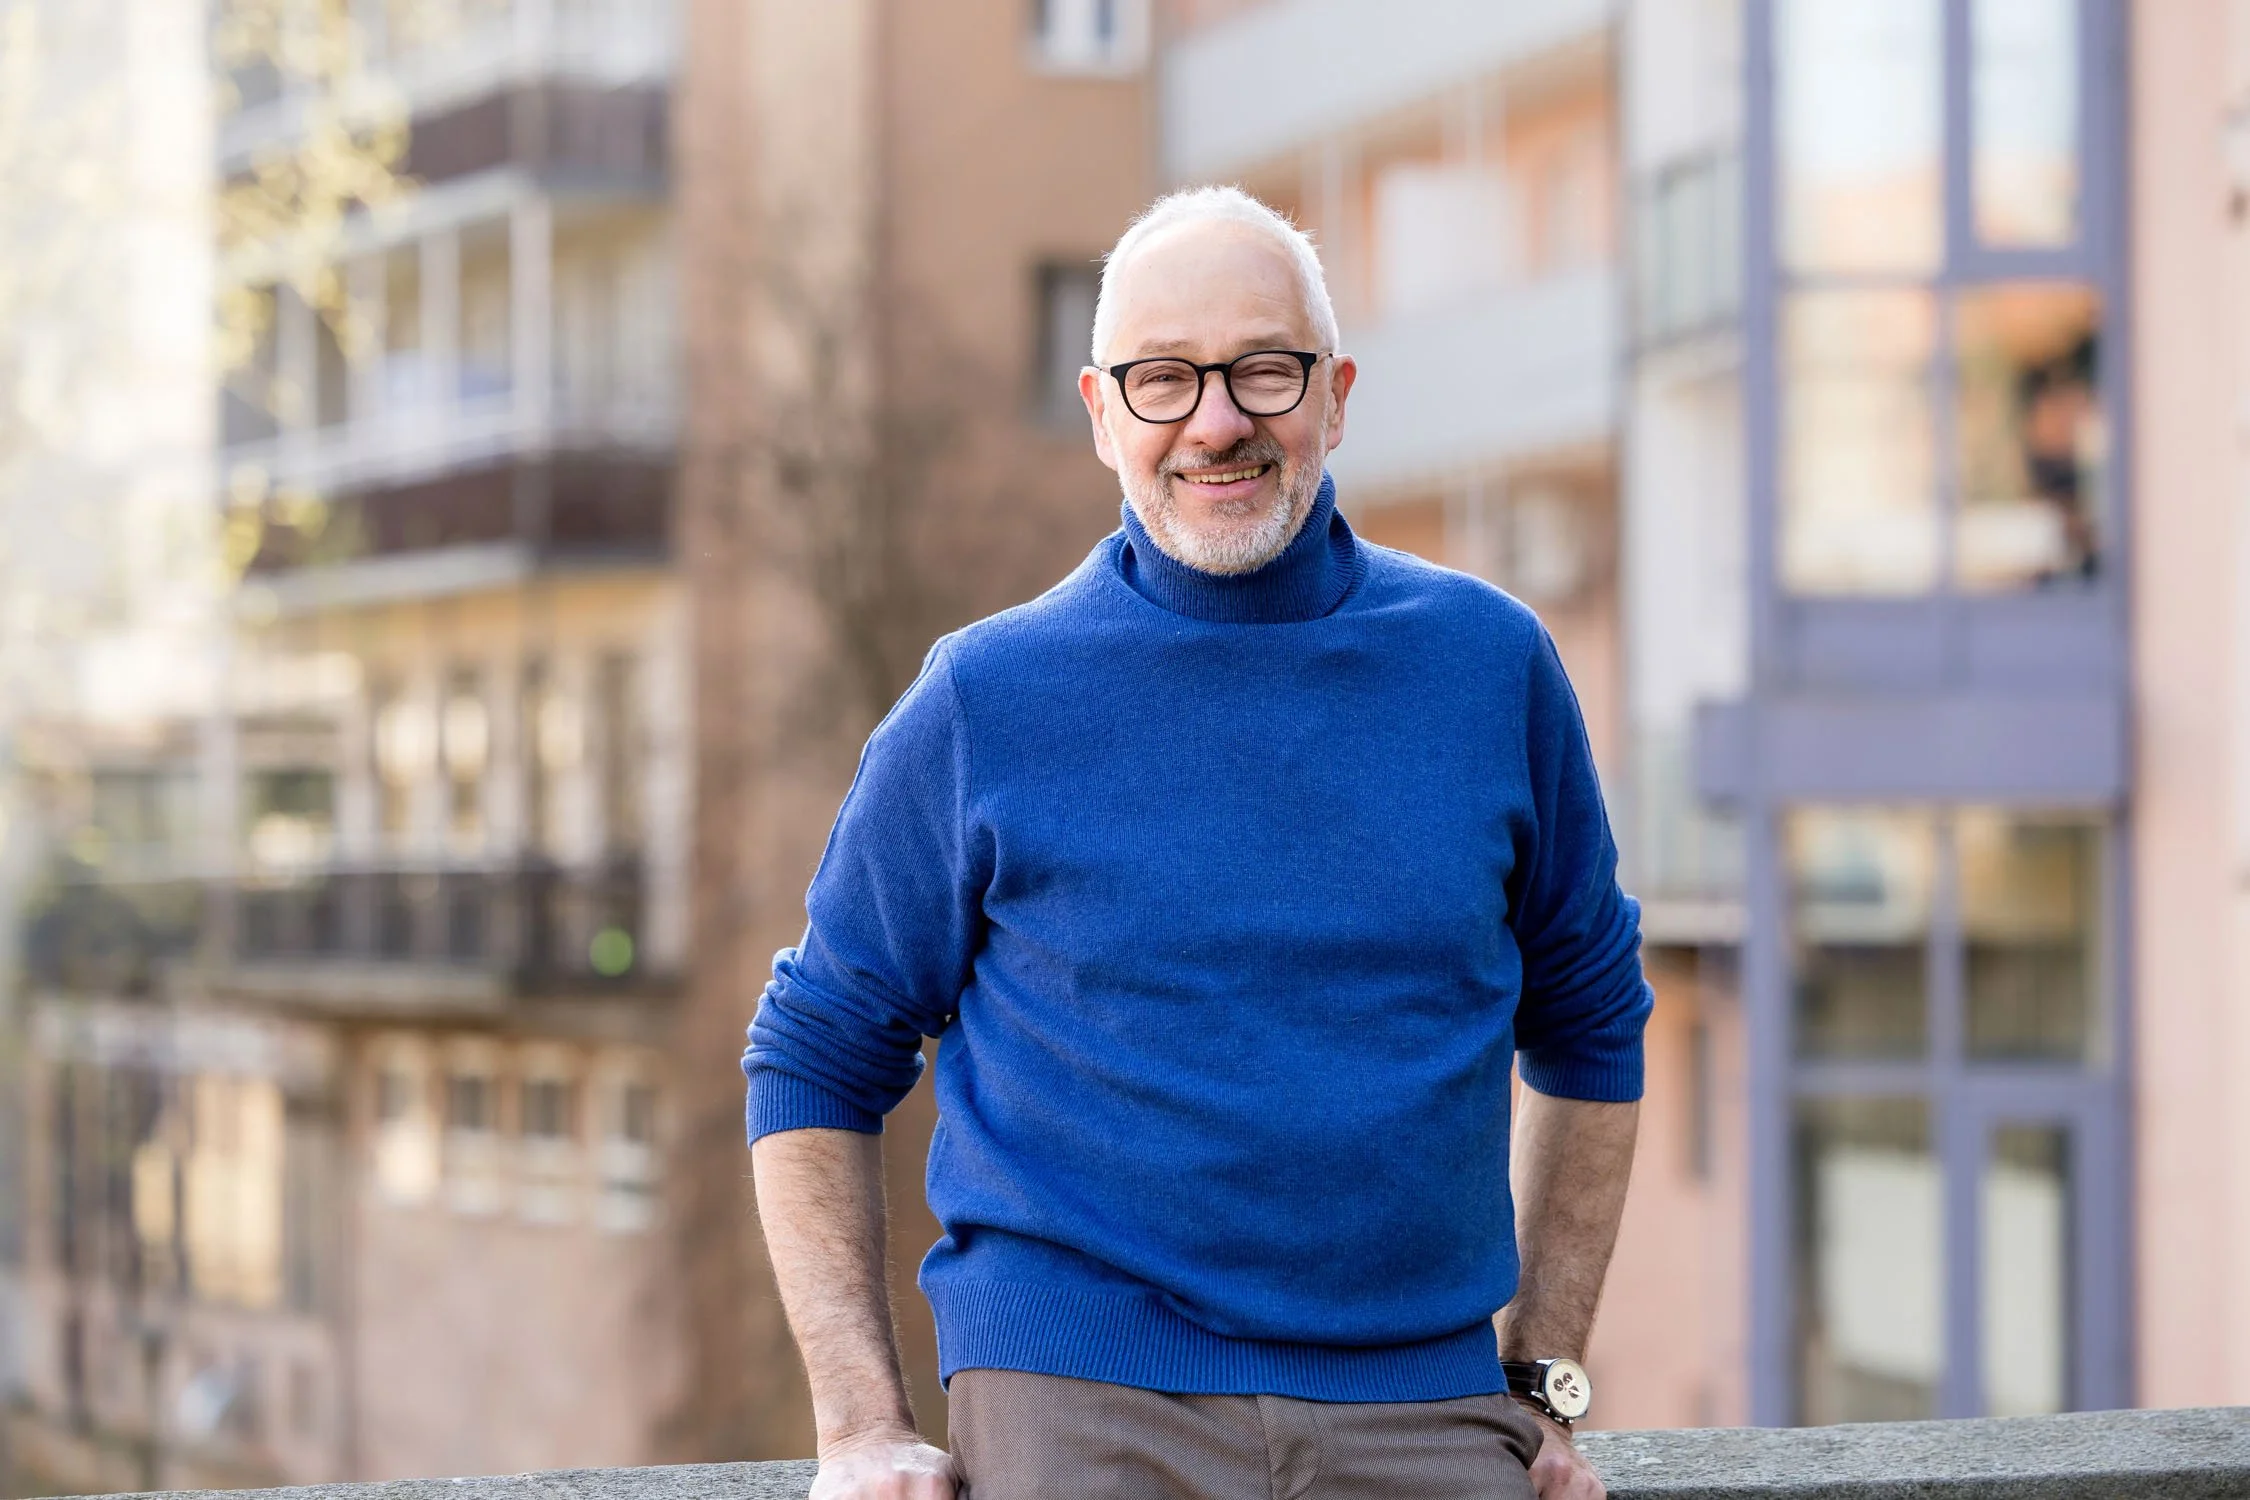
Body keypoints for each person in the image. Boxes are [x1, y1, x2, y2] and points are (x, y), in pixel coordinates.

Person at [744, 186, 1652, 1500]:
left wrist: (1540, 1375)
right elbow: (814, 1053)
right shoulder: (985, 700)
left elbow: (1593, 1022)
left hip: (1429, 1415)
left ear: (1335, 395)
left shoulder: (1490, 667)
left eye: (1263, 370)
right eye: (1162, 379)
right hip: (1078, 1408)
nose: (1216, 422)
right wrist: (857, 1428)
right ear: (1100, 413)